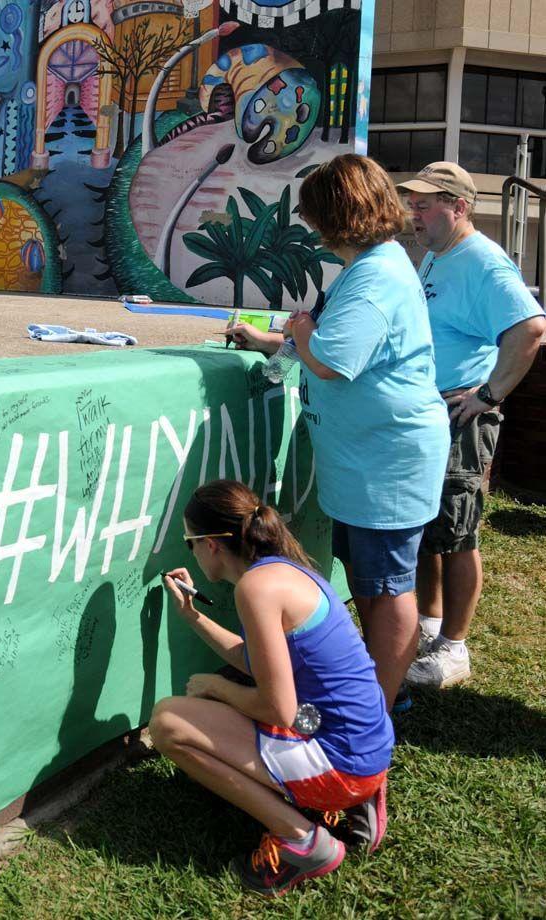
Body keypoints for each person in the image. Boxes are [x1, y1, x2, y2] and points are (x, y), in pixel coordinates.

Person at [225, 154, 450, 712]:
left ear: (335, 216)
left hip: (386, 462)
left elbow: (333, 361)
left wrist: (300, 330)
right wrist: (278, 344)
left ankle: (375, 709)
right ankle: (375, 693)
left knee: (386, 588)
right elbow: (339, 350)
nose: (311, 229)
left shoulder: (375, 274)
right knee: (370, 582)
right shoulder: (374, 266)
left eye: (314, 216)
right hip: (367, 458)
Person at [149, 479, 394, 898]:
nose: (188, 550)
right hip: (368, 748)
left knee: (168, 722)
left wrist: (216, 688)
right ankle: (359, 801)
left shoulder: (255, 589)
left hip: (341, 763)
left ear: (211, 545)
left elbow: (278, 708)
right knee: (217, 697)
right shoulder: (283, 570)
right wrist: (193, 617)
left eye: (189, 541)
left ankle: (302, 840)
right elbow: (256, 659)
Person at [396, 163, 546, 688]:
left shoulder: (483, 261)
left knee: (458, 532)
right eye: (412, 205)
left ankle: (454, 649)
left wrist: (489, 394)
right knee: (430, 527)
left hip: (460, 414)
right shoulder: (439, 255)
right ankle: (430, 626)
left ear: (459, 206)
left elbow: (530, 328)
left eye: (424, 205)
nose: (413, 215)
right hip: (433, 410)